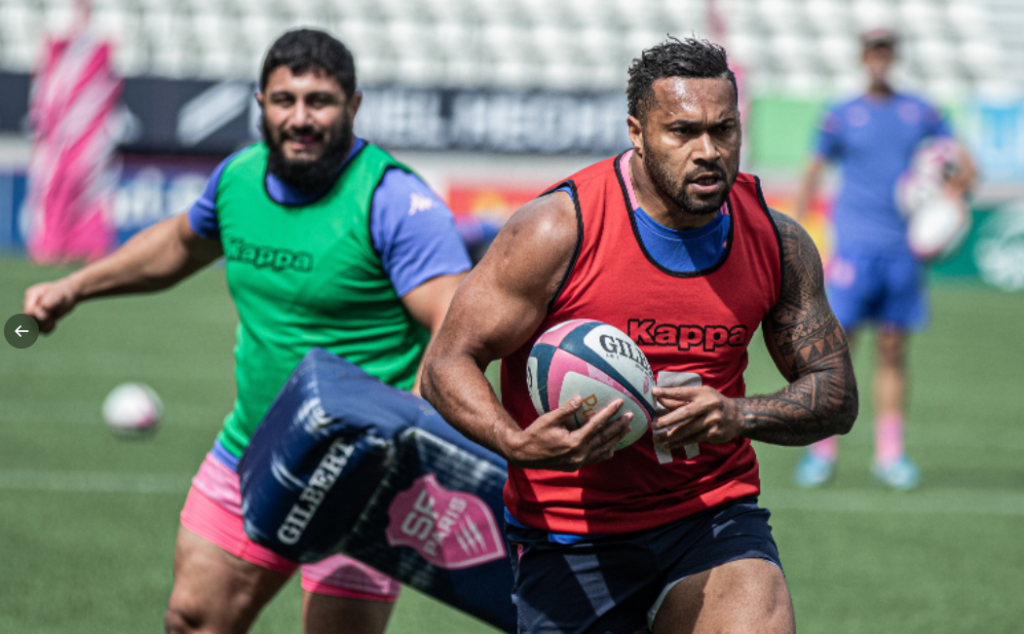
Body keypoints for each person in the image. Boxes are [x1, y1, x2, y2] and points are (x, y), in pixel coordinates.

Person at [22, 29, 471, 634]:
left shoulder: (393, 201)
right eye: (285, 100)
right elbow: (178, 245)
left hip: (361, 474)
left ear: (353, 105)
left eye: (320, 101)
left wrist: (407, 433)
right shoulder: (238, 178)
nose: (300, 118)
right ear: (261, 103)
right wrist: (76, 287)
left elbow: (456, 322)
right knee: (194, 620)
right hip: (252, 450)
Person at [421, 38, 858, 634]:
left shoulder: (775, 240)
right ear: (637, 132)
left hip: (709, 517)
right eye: (683, 132)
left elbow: (836, 395)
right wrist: (514, 442)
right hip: (569, 535)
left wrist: (736, 414)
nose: (708, 151)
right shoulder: (557, 230)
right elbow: (446, 362)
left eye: (723, 130)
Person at [791, 28, 976, 490]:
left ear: (893, 56)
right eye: (873, 51)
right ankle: (822, 450)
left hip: (903, 251)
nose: (880, 58)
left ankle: (889, 454)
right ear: (863, 57)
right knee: (835, 353)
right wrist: (793, 236)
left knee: (893, 352)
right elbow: (812, 171)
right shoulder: (840, 113)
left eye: (886, 51)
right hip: (854, 249)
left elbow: (965, 164)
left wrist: (952, 198)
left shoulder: (920, 110)